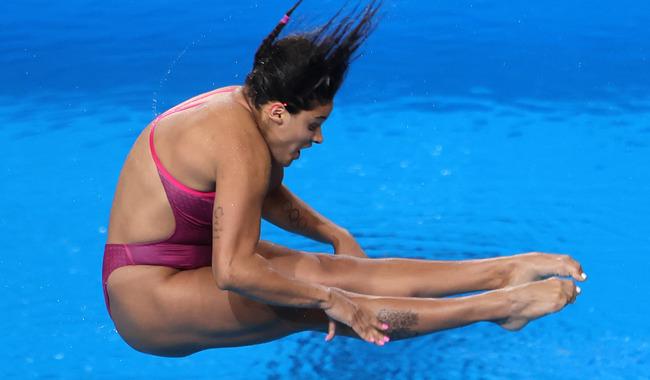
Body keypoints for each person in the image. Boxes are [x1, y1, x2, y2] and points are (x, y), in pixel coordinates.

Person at [102, 0, 587, 357]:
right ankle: (500, 305)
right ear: (278, 112)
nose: (317, 139)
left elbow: (260, 195)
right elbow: (233, 272)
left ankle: (501, 271)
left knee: (332, 270)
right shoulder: (237, 141)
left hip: (189, 261)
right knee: (324, 303)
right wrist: (331, 300)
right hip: (150, 299)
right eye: (314, 124)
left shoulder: (243, 106)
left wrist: (334, 234)